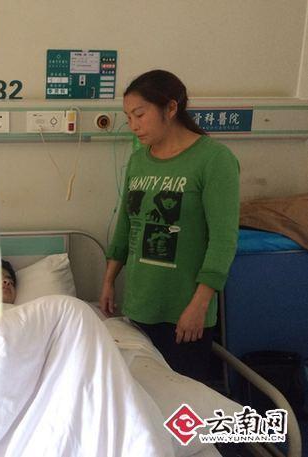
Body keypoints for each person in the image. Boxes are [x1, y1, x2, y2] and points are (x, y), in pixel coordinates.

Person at [99, 69, 240, 383]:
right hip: (140, 304)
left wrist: (199, 305)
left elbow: (223, 240)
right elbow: (126, 224)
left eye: (140, 115)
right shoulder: (139, 161)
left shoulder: (214, 160)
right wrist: (109, 280)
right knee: (143, 397)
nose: (133, 125)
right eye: (128, 117)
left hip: (185, 310)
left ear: (171, 108)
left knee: (181, 401)